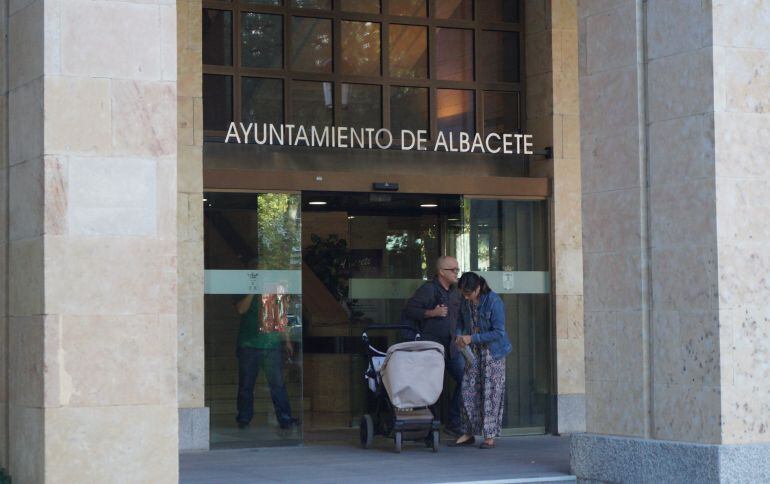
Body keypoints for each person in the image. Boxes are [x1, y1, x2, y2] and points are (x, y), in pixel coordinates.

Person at [402, 255, 465, 437]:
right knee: (431, 385)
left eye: (457, 269)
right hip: (432, 348)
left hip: (452, 347)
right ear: (441, 272)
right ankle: (431, 425)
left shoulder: (455, 292)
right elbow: (410, 310)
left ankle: (453, 422)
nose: (456, 273)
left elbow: (458, 316)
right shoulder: (428, 290)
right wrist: (431, 312)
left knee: (466, 380)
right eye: (453, 270)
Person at [449, 272, 512, 449]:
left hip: (493, 353)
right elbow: (461, 321)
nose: (466, 297)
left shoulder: (494, 301)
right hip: (473, 352)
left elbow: (498, 332)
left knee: (490, 393)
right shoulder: (466, 300)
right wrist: (460, 336)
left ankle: (489, 436)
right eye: (463, 293)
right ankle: (468, 432)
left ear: (478, 288)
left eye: (469, 293)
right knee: (468, 388)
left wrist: (472, 338)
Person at [234, 284, 299, 430]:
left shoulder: (275, 291)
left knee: (278, 384)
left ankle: (285, 418)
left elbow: (281, 318)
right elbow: (241, 309)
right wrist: (253, 291)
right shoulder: (245, 288)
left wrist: (287, 340)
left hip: (271, 344)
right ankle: (244, 418)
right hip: (248, 344)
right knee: (246, 385)